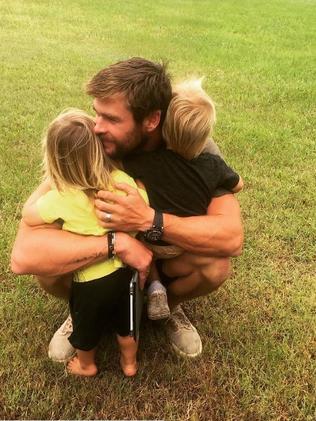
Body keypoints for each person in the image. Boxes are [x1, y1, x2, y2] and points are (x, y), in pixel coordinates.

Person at [11, 57, 243, 361]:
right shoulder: (86, 142)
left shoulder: (193, 145)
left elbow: (231, 237)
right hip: (104, 258)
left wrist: (147, 219)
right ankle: (83, 308)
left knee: (214, 266)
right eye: (97, 114)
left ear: (151, 120)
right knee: (48, 268)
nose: (97, 127)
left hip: (164, 256)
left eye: (111, 119)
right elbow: (25, 253)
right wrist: (115, 243)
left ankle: (164, 308)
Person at [22, 109, 147, 376]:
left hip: (88, 283)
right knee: (126, 325)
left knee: (86, 327)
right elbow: (143, 206)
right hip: (125, 273)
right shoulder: (120, 181)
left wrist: (50, 184)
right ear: (100, 150)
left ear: (54, 160)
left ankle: (86, 365)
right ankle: (129, 364)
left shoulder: (61, 196)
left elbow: (29, 215)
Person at [124, 79, 243, 321]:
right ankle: (160, 298)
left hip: (145, 243)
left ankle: (158, 291)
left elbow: (233, 238)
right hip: (179, 247)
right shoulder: (212, 166)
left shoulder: (145, 162)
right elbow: (238, 184)